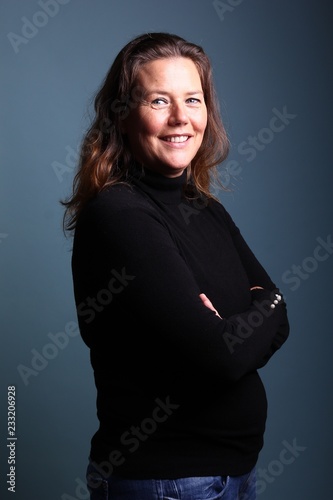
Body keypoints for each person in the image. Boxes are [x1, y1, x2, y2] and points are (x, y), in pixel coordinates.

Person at [62, 32, 290, 500]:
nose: (181, 118)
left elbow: (280, 310)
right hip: (168, 484)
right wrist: (249, 315)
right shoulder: (119, 216)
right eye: (159, 100)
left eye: (193, 99)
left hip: (234, 475)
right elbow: (221, 355)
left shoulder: (205, 208)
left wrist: (247, 315)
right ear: (122, 116)